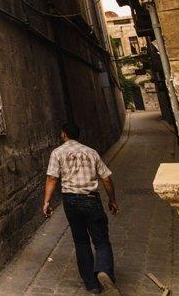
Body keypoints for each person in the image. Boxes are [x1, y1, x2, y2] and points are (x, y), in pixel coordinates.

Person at [43, 123, 120, 295]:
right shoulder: (91, 152)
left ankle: (91, 284)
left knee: (81, 241)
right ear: (78, 135)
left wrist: (47, 202)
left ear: (64, 134)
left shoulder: (57, 153)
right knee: (101, 240)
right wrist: (112, 200)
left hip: (70, 200)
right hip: (91, 199)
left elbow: (52, 179)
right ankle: (104, 271)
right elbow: (106, 178)